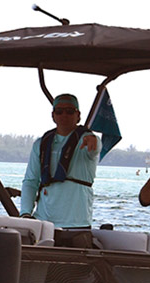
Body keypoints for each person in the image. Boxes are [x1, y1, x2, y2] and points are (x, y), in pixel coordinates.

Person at [20, 93, 101, 229]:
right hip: (43, 222)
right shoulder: (40, 144)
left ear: (78, 115)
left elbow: (95, 149)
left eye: (70, 111)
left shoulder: (87, 140)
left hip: (77, 223)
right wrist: (25, 214)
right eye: (59, 111)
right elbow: (30, 181)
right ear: (53, 115)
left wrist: (94, 139)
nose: (64, 115)